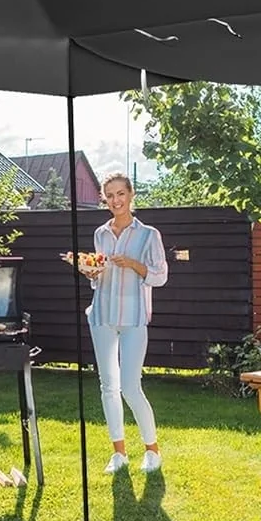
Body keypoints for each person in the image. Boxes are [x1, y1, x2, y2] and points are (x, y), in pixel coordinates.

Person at [65, 172, 169, 474]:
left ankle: (152, 451)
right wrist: (91, 273)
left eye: (120, 194)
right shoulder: (100, 234)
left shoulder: (149, 234)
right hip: (102, 316)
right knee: (108, 387)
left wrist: (134, 264)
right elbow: (99, 279)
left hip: (134, 318)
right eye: (109, 195)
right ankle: (119, 454)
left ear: (131, 194)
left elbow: (160, 276)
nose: (115, 200)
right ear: (104, 199)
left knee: (131, 387)